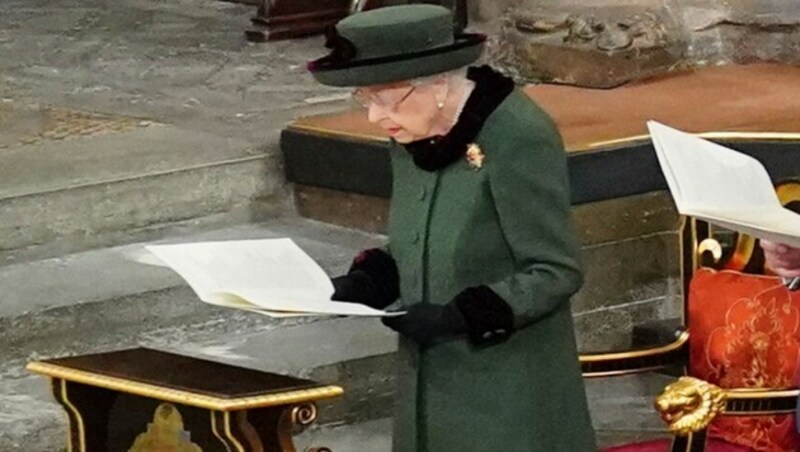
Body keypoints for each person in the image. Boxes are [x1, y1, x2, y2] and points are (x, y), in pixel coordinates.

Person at [308, 5, 597, 451]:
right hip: (427, 387)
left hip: (508, 398)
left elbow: (556, 269)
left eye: (386, 98)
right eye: (366, 98)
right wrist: (371, 281)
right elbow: (422, 234)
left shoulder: (519, 136)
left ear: (439, 83)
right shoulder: (412, 130)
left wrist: (462, 315)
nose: (374, 116)